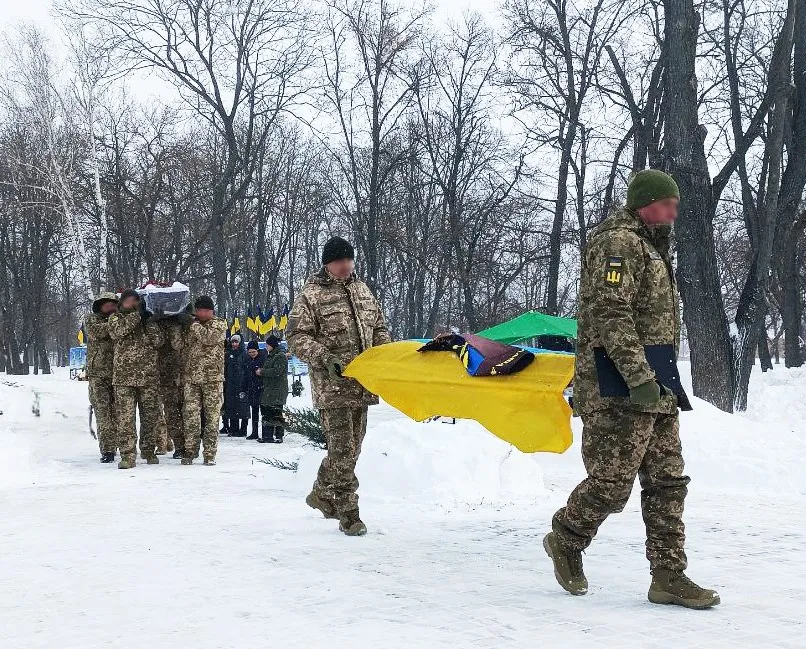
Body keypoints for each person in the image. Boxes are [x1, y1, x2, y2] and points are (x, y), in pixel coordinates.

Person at [543, 170, 720, 609]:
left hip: (656, 381)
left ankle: (668, 576)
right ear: (646, 203)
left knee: (667, 481)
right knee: (612, 482)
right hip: (617, 383)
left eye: (676, 205)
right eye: (668, 204)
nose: (675, 212)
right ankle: (566, 537)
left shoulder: (652, 247)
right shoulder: (619, 243)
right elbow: (610, 313)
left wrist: (656, 380)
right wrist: (638, 377)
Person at [287, 236, 391, 536]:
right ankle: (350, 514)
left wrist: (385, 355)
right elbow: (295, 337)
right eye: (339, 261)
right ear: (327, 263)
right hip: (332, 388)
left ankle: (321, 491)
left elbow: (379, 328)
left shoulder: (362, 290)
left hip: (363, 385)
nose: (345, 266)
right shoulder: (311, 295)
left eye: (349, 260)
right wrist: (324, 356)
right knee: (343, 451)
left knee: (351, 450)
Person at [108, 289, 165, 469]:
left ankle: (148, 450)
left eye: (136, 301)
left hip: (148, 377)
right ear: (122, 303)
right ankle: (127, 455)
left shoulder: (146, 320)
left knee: (150, 417)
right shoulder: (115, 318)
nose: (133, 304)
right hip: (124, 378)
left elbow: (159, 342)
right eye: (129, 301)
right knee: (125, 419)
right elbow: (118, 332)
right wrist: (137, 316)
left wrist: (150, 321)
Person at [181, 296, 228, 466]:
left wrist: (193, 324)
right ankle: (190, 451)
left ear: (212, 311)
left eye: (205, 310)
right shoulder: (191, 326)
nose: (201, 313)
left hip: (212, 380)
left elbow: (209, 338)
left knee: (212, 418)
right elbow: (180, 345)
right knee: (191, 417)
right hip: (192, 379)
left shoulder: (219, 324)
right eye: (198, 310)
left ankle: (209, 454)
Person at [85, 291, 119, 463]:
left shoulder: (119, 320)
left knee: (119, 413)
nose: (111, 306)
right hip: (98, 375)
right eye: (107, 304)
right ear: (100, 306)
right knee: (103, 413)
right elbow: (99, 332)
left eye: (113, 303)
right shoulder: (91, 319)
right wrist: (117, 321)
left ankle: (120, 443)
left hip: (118, 373)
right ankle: (107, 449)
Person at [156, 315, 186, 458]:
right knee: (171, 414)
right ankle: (178, 445)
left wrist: (178, 323)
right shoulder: (157, 324)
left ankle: (189, 445)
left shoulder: (186, 322)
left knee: (188, 413)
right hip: (167, 374)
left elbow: (178, 344)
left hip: (186, 375)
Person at [257, 334, 288, 444]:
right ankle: (267, 436)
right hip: (269, 389)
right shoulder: (271, 355)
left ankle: (279, 436)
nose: (266, 346)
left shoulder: (280, 356)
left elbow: (276, 371)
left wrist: (262, 372)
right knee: (267, 412)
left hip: (277, 389)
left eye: (267, 344)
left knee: (276, 412)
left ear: (272, 345)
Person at [223, 334, 250, 437]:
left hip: (241, 383)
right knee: (232, 406)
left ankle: (243, 429)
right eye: (233, 342)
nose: (234, 344)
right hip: (230, 384)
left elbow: (247, 368)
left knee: (243, 407)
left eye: (236, 342)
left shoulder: (244, 354)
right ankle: (233, 429)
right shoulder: (228, 354)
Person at [243, 341, 265, 440]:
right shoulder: (247, 359)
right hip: (252, 389)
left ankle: (266, 433)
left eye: (253, 352)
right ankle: (254, 432)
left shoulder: (263, 358)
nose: (251, 354)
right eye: (250, 352)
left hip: (262, 388)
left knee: (264, 412)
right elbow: (245, 375)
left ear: (257, 350)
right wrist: (243, 388)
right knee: (254, 411)